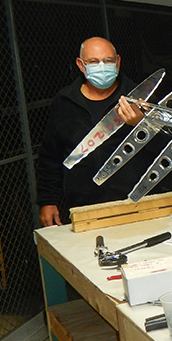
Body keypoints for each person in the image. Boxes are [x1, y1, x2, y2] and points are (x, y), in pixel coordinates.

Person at [37, 37, 147, 227]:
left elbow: (168, 147)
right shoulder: (65, 102)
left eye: (108, 60)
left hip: (137, 202)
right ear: (81, 65)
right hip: (84, 206)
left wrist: (142, 124)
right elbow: (50, 156)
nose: (102, 67)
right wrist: (48, 200)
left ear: (118, 61)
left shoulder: (140, 97)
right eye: (94, 62)